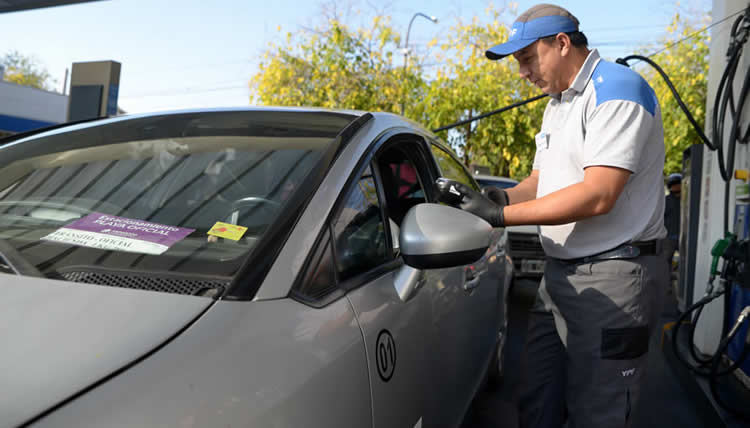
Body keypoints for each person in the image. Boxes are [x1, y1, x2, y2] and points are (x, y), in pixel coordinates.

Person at [435, 4, 669, 428]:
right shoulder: (557, 106)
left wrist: (500, 218)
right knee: (538, 403)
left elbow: (599, 194)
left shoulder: (617, 90)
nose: (522, 72)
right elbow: (540, 181)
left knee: (600, 414)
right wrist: (493, 199)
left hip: (616, 276)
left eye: (527, 58)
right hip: (560, 274)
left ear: (561, 44)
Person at [664, 173, 682, 264]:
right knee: (666, 260)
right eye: (674, 185)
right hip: (668, 237)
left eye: (678, 184)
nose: (677, 187)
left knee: (684, 260)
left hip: (683, 237)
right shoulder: (665, 201)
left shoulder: (687, 200)